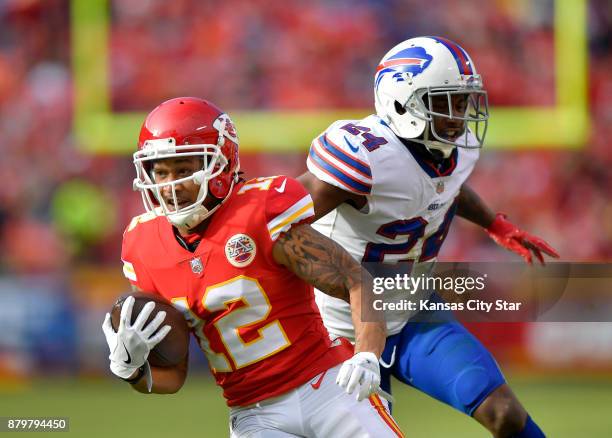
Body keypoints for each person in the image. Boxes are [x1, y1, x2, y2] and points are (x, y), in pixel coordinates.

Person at [298, 36, 558, 438]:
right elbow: (284, 214)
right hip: (341, 333)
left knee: (505, 414)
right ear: (402, 101)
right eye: (446, 102)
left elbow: (444, 187)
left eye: (462, 101)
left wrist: (495, 223)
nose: (459, 115)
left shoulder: (452, 149)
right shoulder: (368, 156)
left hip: (415, 312)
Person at [101, 97, 404, 438]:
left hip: (327, 386)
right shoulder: (143, 245)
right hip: (254, 414)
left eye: (185, 170)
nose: (171, 186)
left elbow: (358, 282)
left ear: (221, 165)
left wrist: (366, 356)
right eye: (161, 171)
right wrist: (132, 369)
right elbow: (173, 377)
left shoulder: (259, 212)